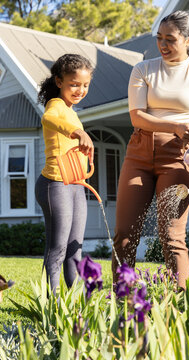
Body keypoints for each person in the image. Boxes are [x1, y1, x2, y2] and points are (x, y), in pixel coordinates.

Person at [112, 11, 189, 290]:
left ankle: (178, 304)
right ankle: (122, 302)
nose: (163, 45)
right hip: (139, 154)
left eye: (170, 39)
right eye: (159, 38)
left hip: (179, 158)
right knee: (124, 234)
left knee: (171, 235)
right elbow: (137, 117)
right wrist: (174, 125)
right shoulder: (144, 69)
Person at [35, 53, 94, 293]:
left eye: (85, 85)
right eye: (74, 84)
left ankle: (78, 301)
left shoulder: (72, 110)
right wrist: (77, 132)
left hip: (75, 184)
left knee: (74, 249)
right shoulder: (56, 105)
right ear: (59, 82)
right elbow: (49, 119)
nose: (80, 90)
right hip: (54, 185)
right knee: (57, 247)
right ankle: (53, 303)